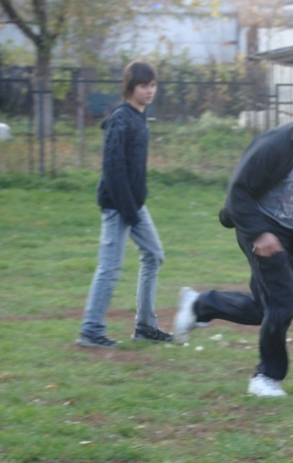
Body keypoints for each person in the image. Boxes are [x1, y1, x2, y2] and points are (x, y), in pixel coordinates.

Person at [173, 87, 293, 397]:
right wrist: (259, 233)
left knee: (263, 309)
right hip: (255, 223)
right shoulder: (276, 144)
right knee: (283, 304)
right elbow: (237, 193)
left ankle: (200, 305)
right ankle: (266, 377)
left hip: (287, 235)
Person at [76, 60, 171, 348]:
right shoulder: (121, 118)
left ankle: (145, 326)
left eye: (153, 85)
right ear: (130, 87)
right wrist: (129, 211)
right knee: (110, 268)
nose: (150, 91)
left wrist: (135, 205)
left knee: (154, 255)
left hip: (133, 205)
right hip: (118, 206)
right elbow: (113, 168)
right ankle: (91, 330)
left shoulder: (140, 116)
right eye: (144, 86)